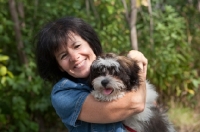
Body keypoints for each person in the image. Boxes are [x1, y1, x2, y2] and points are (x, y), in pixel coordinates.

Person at [35, 16, 148, 132]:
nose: (74, 57)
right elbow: (136, 103)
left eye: (77, 46)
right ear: (59, 66)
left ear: (91, 44)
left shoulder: (115, 65)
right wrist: (137, 65)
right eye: (63, 55)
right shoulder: (63, 94)